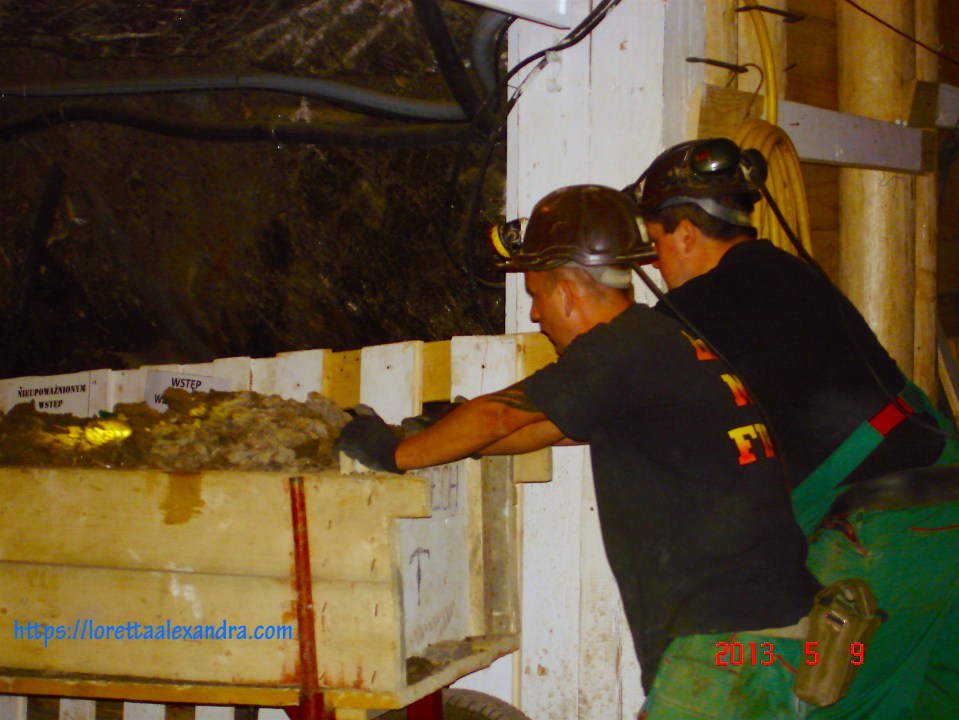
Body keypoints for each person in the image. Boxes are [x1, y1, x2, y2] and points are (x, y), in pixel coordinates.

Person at [336, 184, 821, 719]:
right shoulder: (663, 344)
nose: (538, 315)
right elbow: (545, 428)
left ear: (568, 290)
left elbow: (500, 415)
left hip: (726, 643)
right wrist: (453, 440)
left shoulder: (618, 349)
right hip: (770, 634)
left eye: (537, 297)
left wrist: (392, 454)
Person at [628, 138, 959, 718]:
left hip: (879, 542)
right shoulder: (791, 274)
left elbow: (609, 388)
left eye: (655, 243)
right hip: (945, 516)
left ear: (684, 233)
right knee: (922, 700)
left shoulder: (699, 306)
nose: (656, 264)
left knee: (802, 688)